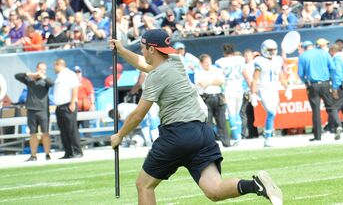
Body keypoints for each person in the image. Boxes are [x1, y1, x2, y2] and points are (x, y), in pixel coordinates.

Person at [110, 30, 283, 205]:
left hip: (177, 134)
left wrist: (119, 135)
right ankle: (256, 185)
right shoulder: (175, 61)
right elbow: (145, 64)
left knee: (144, 185)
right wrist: (122, 50)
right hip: (202, 132)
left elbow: (138, 114)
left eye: (143, 48)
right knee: (214, 190)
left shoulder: (155, 77)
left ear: (153, 50)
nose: (142, 52)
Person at [250, 39, 290, 148]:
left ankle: (268, 135)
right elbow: (255, 79)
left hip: (274, 89)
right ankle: (267, 138)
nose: (272, 52)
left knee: (273, 114)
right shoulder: (259, 61)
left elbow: (280, 75)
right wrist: (253, 94)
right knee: (271, 112)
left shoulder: (277, 60)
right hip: (264, 89)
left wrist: (287, 87)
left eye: (274, 50)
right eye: (270, 50)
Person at [297, 38, 334, 142]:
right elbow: (332, 67)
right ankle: (337, 126)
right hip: (325, 83)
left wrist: (306, 82)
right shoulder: (322, 53)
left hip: (312, 84)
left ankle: (318, 135)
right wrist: (329, 79)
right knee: (330, 107)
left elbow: (300, 74)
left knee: (316, 111)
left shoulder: (303, 56)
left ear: (304, 48)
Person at [16, 62, 52, 161]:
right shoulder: (30, 80)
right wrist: (28, 74)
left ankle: (48, 154)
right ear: (37, 68)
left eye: (44, 69)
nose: (42, 71)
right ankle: (33, 155)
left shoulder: (45, 81)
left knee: (45, 133)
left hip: (43, 111)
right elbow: (17, 76)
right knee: (33, 133)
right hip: (31, 110)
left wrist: (43, 76)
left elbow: (51, 83)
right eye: (40, 69)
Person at [215, 45, 247, 144]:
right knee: (237, 114)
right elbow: (245, 74)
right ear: (233, 52)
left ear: (224, 52)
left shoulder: (220, 62)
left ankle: (237, 137)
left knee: (231, 114)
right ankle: (240, 136)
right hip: (239, 88)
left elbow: (220, 78)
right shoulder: (240, 59)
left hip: (229, 89)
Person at [51, 57, 83, 159]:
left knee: (72, 129)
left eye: (55, 66)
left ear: (59, 65)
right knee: (63, 130)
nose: (54, 68)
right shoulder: (59, 76)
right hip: (60, 106)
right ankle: (68, 152)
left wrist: (73, 102)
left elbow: (75, 87)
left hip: (68, 104)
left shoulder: (69, 74)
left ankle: (77, 151)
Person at [194, 55, 229, 147]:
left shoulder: (216, 70)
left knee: (221, 121)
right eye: (205, 62)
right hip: (206, 98)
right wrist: (213, 81)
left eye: (209, 61)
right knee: (207, 122)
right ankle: (209, 144)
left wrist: (208, 82)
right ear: (201, 63)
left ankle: (226, 142)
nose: (208, 64)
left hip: (218, 97)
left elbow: (221, 81)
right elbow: (201, 84)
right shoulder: (198, 72)